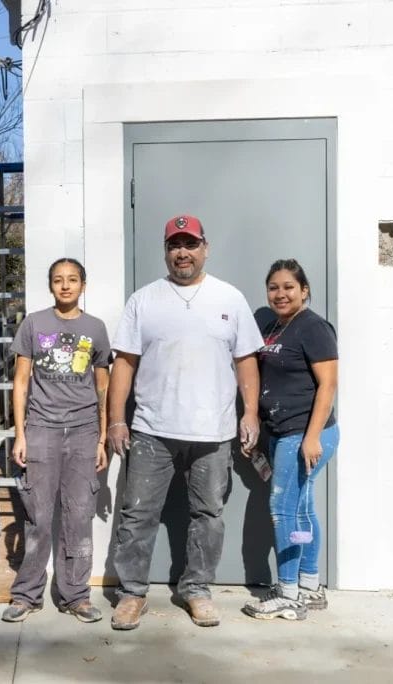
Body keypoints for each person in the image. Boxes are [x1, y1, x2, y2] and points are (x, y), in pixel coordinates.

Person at [107, 214, 263, 630]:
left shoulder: (230, 299)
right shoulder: (144, 300)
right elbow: (124, 362)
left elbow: (246, 360)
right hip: (151, 429)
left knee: (208, 514)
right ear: (166, 252)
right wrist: (116, 420)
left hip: (214, 431)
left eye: (190, 244)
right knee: (137, 514)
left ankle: (197, 590)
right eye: (175, 245)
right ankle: (132, 593)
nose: (183, 252)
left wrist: (249, 411)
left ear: (204, 248)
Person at [1, 258, 111, 623]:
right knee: (38, 516)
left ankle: (75, 595)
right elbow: (20, 382)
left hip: (83, 432)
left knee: (79, 516)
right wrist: (21, 434)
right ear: (50, 286)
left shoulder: (95, 328)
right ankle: (26, 595)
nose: (65, 286)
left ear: (83, 285)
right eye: (58, 280)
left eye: (73, 280)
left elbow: (103, 386)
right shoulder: (34, 324)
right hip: (42, 430)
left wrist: (101, 438)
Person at [242, 258, 339, 621]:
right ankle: (309, 585)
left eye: (288, 287)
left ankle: (287, 593)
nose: (280, 294)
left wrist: (311, 438)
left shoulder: (313, 327)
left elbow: (328, 385)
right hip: (285, 432)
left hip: (305, 434)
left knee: (283, 509)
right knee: (302, 509)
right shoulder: (274, 327)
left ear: (304, 290)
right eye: (273, 288)